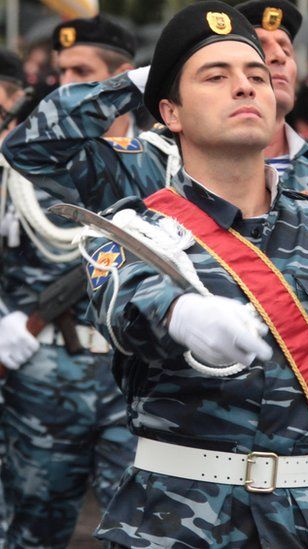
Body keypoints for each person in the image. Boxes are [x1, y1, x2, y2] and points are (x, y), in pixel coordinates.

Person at [82, 3, 308, 546]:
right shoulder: (133, 229)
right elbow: (124, 302)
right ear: (172, 113)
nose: (245, 87)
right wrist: (180, 313)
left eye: (256, 75)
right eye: (216, 76)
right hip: (178, 519)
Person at [2, 0, 308, 254]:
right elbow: (31, 149)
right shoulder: (149, 164)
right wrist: (140, 84)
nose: (277, 55)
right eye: (258, 45)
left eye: (284, 45)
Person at [0, 23, 140, 548]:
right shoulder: (20, 167)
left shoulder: (163, 165)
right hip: (41, 372)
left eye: (82, 74)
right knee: (32, 529)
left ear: (120, 81)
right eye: (61, 73)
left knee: (139, 531)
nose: (65, 85)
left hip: (133, 378)